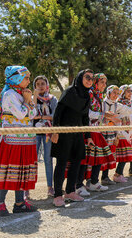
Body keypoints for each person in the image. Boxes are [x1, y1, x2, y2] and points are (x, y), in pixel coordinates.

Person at [0, 65, 38, 216]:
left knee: (21, 170)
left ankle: (19, 203)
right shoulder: (9, 94)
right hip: (11, 139)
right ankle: (0, 203)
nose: (28, 81)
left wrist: (28, 101)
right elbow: (21, 114)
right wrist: (28, 101)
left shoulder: (22, 93)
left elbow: (33, 114)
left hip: (25, 138)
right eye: (26, 78)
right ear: (16, 78)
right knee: (9, 170)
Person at [51, 69, 95, 207]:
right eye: (87, 77)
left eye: (92, 78)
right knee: (62, 163)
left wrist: (88, 136)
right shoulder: (70, 91)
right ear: (80, 77)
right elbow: (58, 111)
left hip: (78, 133)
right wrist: (55, 130)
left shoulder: (87, 95)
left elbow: (85, 117)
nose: (89, 80)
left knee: (76, 163)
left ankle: (70, 191)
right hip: (64, 132)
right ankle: (58, 194)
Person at [76, 73, 114, 196]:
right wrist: (103, 115)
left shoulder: (98, 95)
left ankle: (93, 182)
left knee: (98, 157)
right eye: (102, 82)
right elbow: (87, 112)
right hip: (88, 130)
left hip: (96, 129)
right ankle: (78, 184)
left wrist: (104, 116)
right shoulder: (89, 94)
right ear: (96, 83)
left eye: (105, 82)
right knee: (85, 159)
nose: (104, 85)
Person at [33, 75, 58, 197]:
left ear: (47, 85)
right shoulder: (32, 98)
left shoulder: (52, 99)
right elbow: (30, 114)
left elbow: (55, 115)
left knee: (48, 160)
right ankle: (27, 189)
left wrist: (42, 117)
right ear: (35, 86)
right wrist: (33, 97)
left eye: (43, 83)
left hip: (48, 132)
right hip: (34, 133)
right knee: (32, 160)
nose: (40, 86)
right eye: (38, 84)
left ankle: (50, 187)